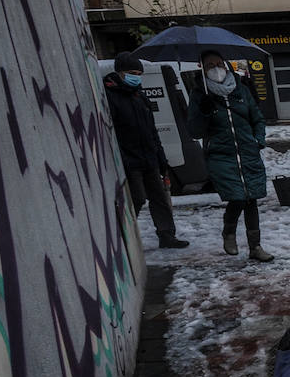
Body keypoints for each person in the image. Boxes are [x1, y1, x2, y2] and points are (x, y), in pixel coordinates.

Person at [189, 49, 274, 262]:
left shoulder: (241, 90)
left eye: (218, 64)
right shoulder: (200, 95)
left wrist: (258, 139)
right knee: (237, 197)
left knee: (251, 198)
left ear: (226, 65)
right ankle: (229, 233)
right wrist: (204, 112)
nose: (216, 69)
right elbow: (194, 131)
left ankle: (255, 246)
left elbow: (257, 118)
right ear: (202, 69)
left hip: (248, 152)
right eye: (210, 65)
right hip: (221, 156)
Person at [105, 53, 189, 249]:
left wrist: (161, 158)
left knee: (159, 198)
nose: (137, 77)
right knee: (137, 199)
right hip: (129, 159)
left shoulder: (139, 97)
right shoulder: (111, 97)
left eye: (139, 73)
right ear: (120, 73)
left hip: (149, 157)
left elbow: (152, 130)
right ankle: (123, 238)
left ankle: (167, 235)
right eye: (132, 73)